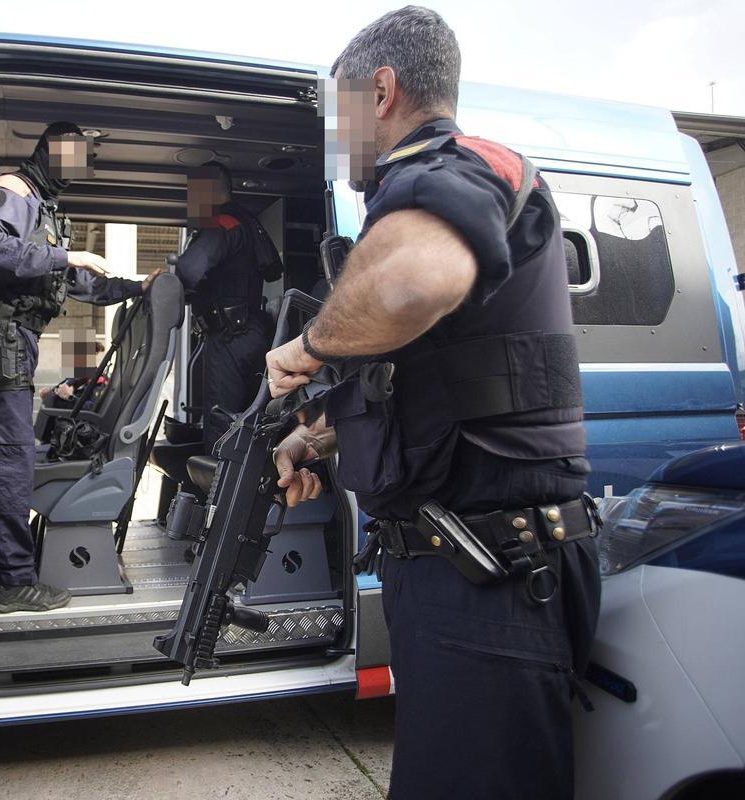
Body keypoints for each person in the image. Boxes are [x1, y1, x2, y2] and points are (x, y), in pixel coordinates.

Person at [265, 8, 601, 800]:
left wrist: (310, 345)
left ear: (381, 90)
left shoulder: (459, 166)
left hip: (492, 578)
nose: (334, 138)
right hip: (460, 573)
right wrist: (313, 439)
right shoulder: (419, 193)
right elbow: (426, 387)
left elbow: (409, 284)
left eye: (339, 112)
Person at [0, 122, 160, 613]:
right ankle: (12, 582)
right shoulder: (15, 192)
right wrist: (69, 253)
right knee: (12, 459)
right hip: (1, 336)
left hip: (11, 338)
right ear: (51, 150)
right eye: (75, 155)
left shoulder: (43, 208)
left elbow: (81, 285)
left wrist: (136, 288)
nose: (79, 167)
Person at [175, 162, 275, 452]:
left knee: (222, 429)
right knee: (247, 424)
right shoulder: (246, 222)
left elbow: (188, 271)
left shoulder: (220, 224)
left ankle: (219, 481)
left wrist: (165, 286)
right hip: (251, 333)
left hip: (229, 338)